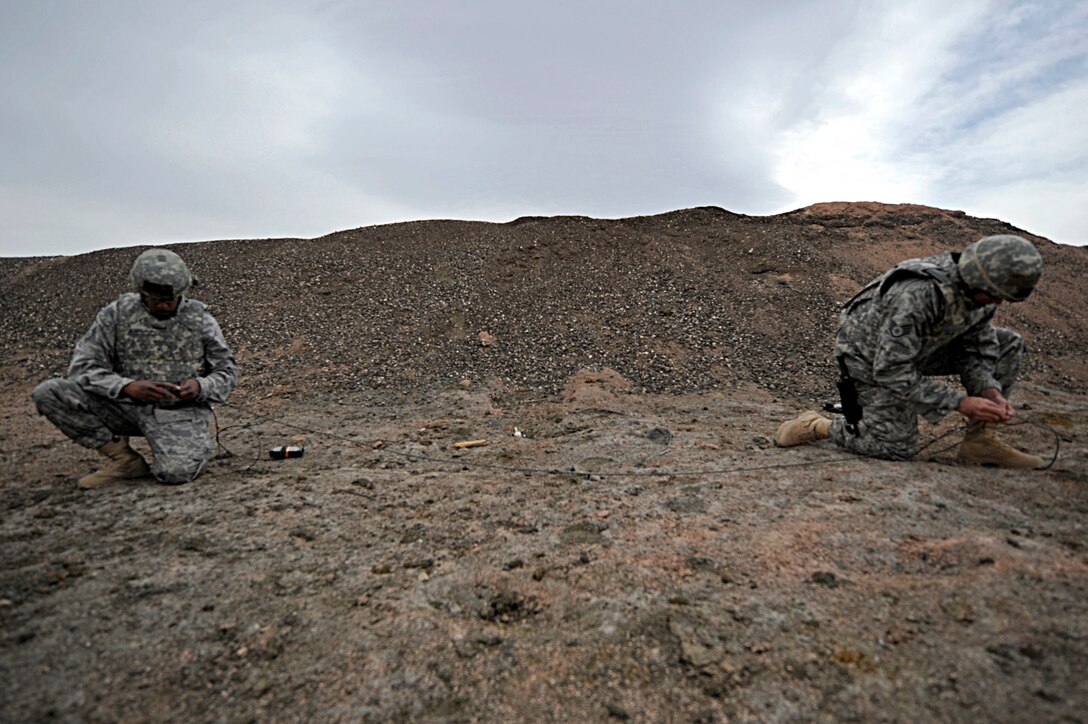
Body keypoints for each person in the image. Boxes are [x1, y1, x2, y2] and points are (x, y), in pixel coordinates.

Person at [774, 234, 1045, 469]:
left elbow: (977, 347)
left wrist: (989, 391)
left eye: (1004, 296)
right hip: (868, 359)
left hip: (921, 348)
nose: (998, 302)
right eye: (995, 294)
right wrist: (960, 402)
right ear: (976, 279)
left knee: (1008, 342)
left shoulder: (981, 292)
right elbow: (891, 369)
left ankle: (980, 442)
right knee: (893, 447)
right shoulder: (917, 294)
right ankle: (816, 425)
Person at [32, 248, 238, 488]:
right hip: (122, 406)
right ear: (141, 292)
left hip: (177, 413)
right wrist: (127, 387)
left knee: (175, 473)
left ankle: (175, 450)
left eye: (169, 300)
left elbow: (226, 371)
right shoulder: (117, 315)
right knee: (50, 392)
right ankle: (125, 460)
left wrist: (199, 386)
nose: (163, 306)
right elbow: (83, 367)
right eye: (156, 300)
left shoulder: (201, 320)